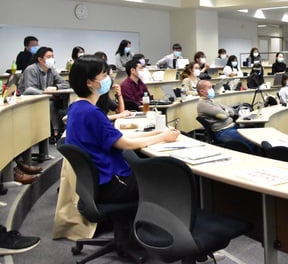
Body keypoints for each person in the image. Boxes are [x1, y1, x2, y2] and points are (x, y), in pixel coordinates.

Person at [65, 54, 179, 205]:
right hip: (112, 182)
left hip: (96, 181)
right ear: (89, 83)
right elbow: (125, 144)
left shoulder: (77, 107)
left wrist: (157, 132)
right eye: (104, 75)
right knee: (170, 176)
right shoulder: (92, 113)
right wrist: (163, 138)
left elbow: (120, 139)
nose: (108, 79)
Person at [18, 46, 70, 144]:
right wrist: (46, 94)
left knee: (63, 102)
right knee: (51, 104)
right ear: (40, 59)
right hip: (29, 101)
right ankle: (55, 133)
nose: (52, 59)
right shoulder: (31, 69)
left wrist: (56, 87)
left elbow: (66, 84)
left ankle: (58, 132)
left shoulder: (51, 70)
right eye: (49, 56)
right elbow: (29, 89)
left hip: (46, 98)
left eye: (53, 56)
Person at [195, 80, 254, 149]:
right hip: (223, 132)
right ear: (202, 91)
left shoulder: (210, 101)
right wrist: (226, 111)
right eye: (210, 87)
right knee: (251, 141)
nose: (212, 90)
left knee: (252, 135)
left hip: (231, 128)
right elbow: (224, 116)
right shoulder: (203, 104)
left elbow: (231, 111)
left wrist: (226, 111)